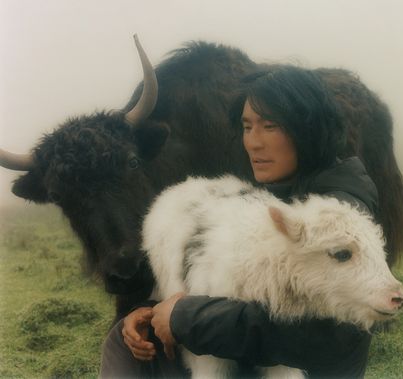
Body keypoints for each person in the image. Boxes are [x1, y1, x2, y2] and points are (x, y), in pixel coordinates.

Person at [100, 66, 378, 378]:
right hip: (257, 357)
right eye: (247, 127)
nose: (254, 143)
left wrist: (181, 317)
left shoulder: (340, 211)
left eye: (270, 126)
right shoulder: (283, 191)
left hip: (303, 368)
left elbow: (322, 333)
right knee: (124, 343)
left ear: (308, 129)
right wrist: (151, 309)